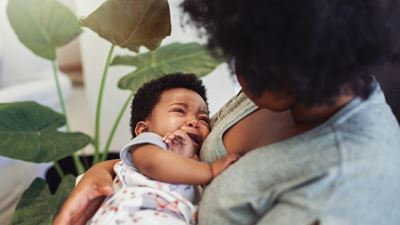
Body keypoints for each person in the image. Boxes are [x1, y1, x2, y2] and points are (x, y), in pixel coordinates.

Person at [54, 0, 400, 225]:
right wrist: (103, 174)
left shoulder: (344, 190)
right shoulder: (287, 85)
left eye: (253, 59)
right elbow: (155, 153)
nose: (239, 73)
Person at [86, 73, 238, 225]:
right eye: (179, 111)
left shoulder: (199, 170)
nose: (194, 122)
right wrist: (209, 171)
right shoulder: (150, 143)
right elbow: (154, 163)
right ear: (144, 130)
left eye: (203, 118)